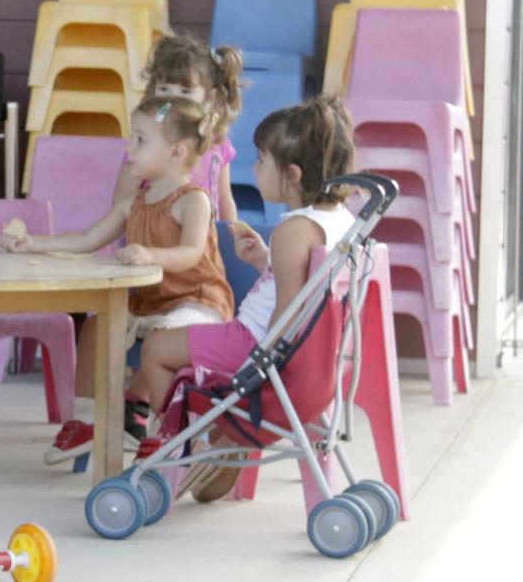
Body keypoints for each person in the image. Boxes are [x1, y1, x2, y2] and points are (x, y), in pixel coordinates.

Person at [35, 34, 245, 465]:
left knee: (165, 342)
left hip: (191, 282)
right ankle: (93, 420)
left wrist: (237, 234)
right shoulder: (141, 164)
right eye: (163, 89)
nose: (170, 98)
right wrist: (33, 243)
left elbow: (223, 208)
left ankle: (160, 420)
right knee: (98, 324)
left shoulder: (207, 166)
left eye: (184, 90)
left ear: (209, 99)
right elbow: (113, 217)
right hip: (144, 284)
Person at [137, 97, 358, 503]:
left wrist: (258, 370)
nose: (253, 169)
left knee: (155, 348)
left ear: (292, 175)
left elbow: (287, 315)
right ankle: (216, 444)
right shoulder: (342, 222)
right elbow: (308, 298)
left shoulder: (295, 230)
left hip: (256, 346)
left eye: (260, 161)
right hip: (318, 363)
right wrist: (265, 262)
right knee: (178, 351)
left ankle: (174, 447)